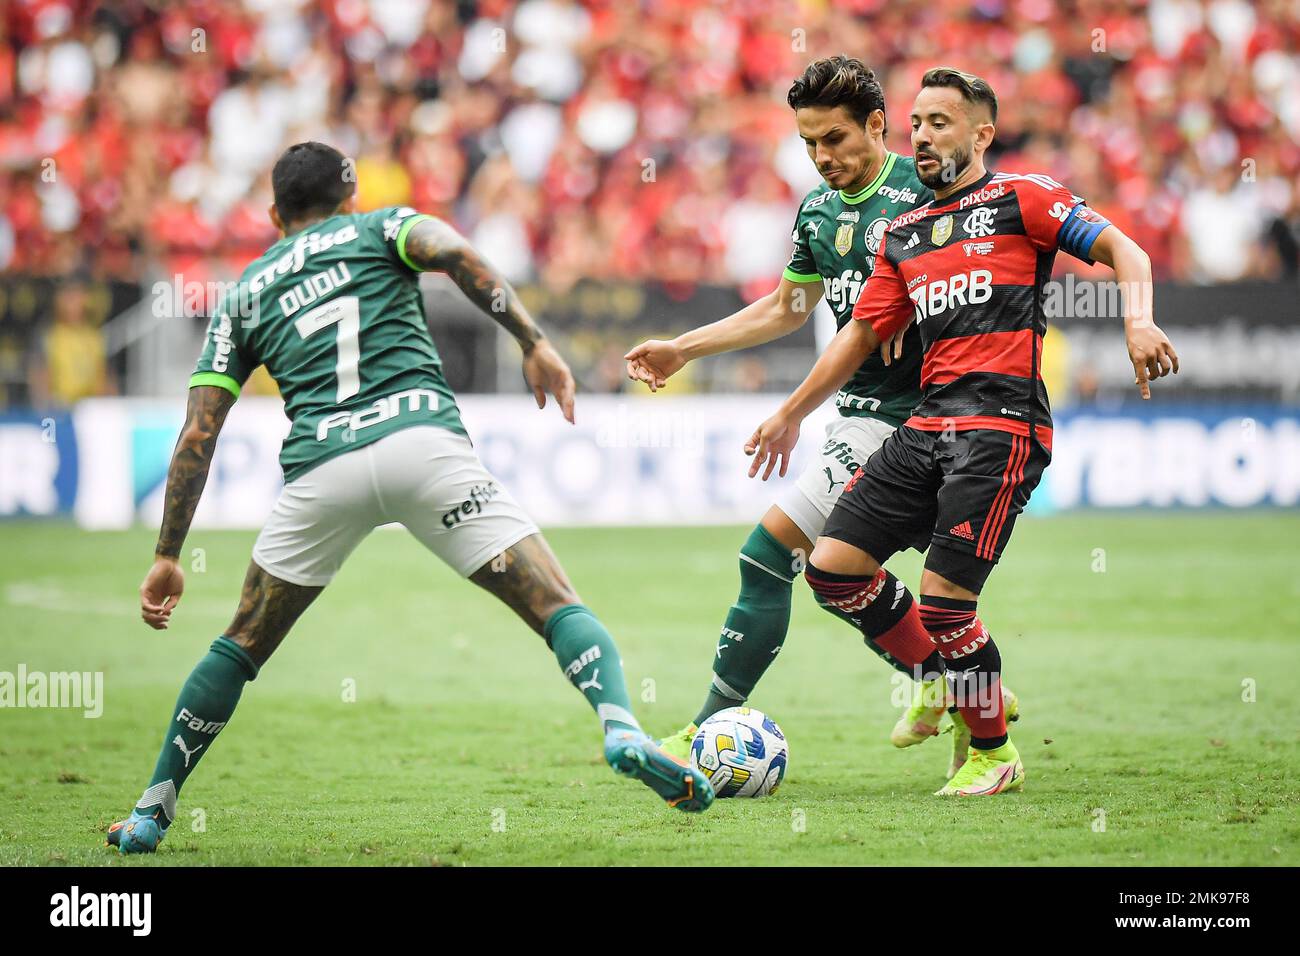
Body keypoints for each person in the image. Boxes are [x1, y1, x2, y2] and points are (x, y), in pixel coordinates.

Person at [107, 141, 712, 854]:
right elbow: (456, 252)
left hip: (320, 473)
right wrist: (532, 340)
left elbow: (198, 433)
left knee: (239, 646)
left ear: (274, 215)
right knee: (556, 605)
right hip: (420, 444)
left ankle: (151, 810)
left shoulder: (242, 294)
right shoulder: (379, 228)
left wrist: (169, 554)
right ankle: (620, 725)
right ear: (351, 194)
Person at [746, 68, 1178, 795]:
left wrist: (1138, 321)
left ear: (982, 134)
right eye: (917, 122)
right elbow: (858, 335)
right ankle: (950, 682)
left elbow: (1124, 251)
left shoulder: (1024, 198)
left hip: (1000, 425)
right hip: (925, 424)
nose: (922, 135)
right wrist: (791, 411)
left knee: (947, 602)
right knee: (831, 568)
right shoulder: (906, 234)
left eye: (940, 122)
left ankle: (994, 751)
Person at [625, 56, 1014, 775]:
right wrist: (684, 348)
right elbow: (787, 306)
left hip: (911, 420)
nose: (821, 156)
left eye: (834, 139)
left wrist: (917, 314)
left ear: (876, 124)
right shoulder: (818, 209)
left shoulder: (921, 194)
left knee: (767, 554)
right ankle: (956, 688)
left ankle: (703, 730)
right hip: (855, 417)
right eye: (808, 142)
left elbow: (975, 279)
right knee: (840, 575)